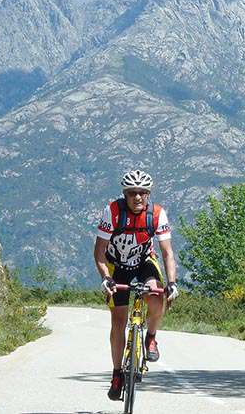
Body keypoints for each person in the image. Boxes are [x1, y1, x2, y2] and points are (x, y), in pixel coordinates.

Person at [94, 169, 179, 401]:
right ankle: (117, 374)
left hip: (143, 262)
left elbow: (167, 253)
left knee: (155, 293)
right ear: (125, 194)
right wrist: (105, 278)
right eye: (132, 193)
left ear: (148, 194)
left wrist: (171, 283)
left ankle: (151, 336)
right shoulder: (113, 212)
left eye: (142, 193)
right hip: (116, 267)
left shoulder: (157, 215)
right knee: (118, 320)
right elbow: (99, 252)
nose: (138, 197)